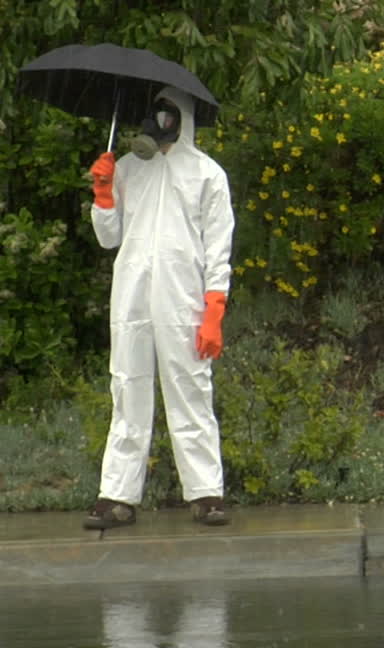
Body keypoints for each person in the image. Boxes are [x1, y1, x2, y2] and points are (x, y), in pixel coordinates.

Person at [83, 85, 235, 529]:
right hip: (131, 294)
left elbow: (218, 247)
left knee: (190, 389)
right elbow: (109, 237)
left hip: (183, 299)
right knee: (127, 387)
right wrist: (104, 192)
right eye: (155, 112)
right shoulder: (128, 168)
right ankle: (117, 496)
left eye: (167, 113)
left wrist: (214, 310)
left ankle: (207, 494)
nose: (159, 120)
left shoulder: (207, 175)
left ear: (182, 118)